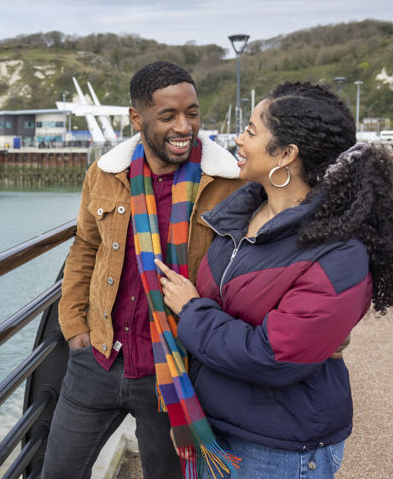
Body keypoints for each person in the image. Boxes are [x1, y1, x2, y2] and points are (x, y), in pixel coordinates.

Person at [159, 81, 393, 478]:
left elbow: (272, 357)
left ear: (285, 154)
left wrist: (192, 311)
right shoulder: (240, 215)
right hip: (215, 429)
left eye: (250, 130)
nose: (238, 139)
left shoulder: (339, 252)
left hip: (279, 448)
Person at [41, 61, 243, 479]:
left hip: (173, 369)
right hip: (97, 357)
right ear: (137, 118)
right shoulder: (105, 173)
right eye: (168, 116)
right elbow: (85, 247)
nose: (184, 126)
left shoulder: (229, 181)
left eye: (192, 112)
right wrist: (73, 324)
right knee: (58, 472)